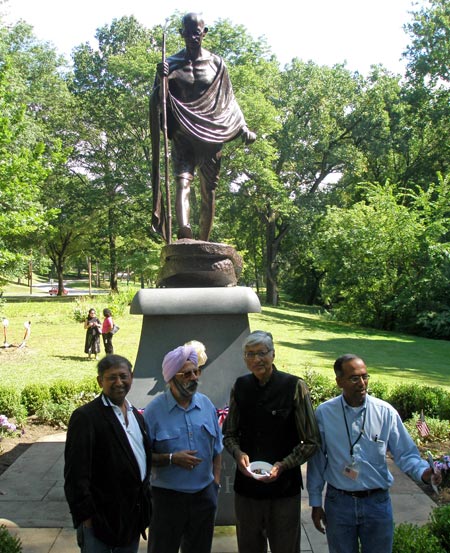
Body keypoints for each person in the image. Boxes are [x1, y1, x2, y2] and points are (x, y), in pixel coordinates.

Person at [306, 354, 442, 553]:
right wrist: (316, 502)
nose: (362, 383)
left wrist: (424, 472)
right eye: (354, 378)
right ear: (339, 382)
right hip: (339, 503)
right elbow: (317, 461)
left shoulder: (385, 412)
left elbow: (406, 453)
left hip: (376, 504)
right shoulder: (325, 414)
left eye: (365, 376)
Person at [150, 12, 256, 241]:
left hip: (211, 135)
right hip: (183, 134)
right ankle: (185, 232)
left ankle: (204, 244)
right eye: (187, 33)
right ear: (181, 34)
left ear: (204, 33)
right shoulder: (170, 64)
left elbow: (229, 100)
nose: (192, 37)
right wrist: (161, 82)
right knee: (182, 180)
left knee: (209, 192)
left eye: (197, 33)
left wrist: (243, 127)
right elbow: (159, 101)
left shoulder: (217, 64)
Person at [223, 330, 321, 553]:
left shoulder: (295, 387)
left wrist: (284, 464)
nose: (257, 359)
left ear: (273, 354)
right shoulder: (240, 386)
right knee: (248, 547)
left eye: (262, 353)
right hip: (247, 488)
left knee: (285, 547)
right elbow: (229, 434)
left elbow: (311, 440)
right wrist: (238, 454)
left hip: (284, 490)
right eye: (250, 354)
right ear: (245, 359)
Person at [64, 354, 152, 553]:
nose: (119, 382)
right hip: (100, 521)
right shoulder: (86, 418)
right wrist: (86, 518)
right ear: (100, 381)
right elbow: (75, 473)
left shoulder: (136, 415)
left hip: (131, 519)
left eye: (123, 376)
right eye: (112, 377)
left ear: (132, 377)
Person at [143, 344, 222, 553]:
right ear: (170, 378)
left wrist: (215, 484)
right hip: (167, 500)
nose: (194, 377)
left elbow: (217, 449)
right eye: (186, 374)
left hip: (203, 497)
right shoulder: (153, 412)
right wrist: (171, 458)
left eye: (196, 372)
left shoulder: (206, 405)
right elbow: (142, 457)